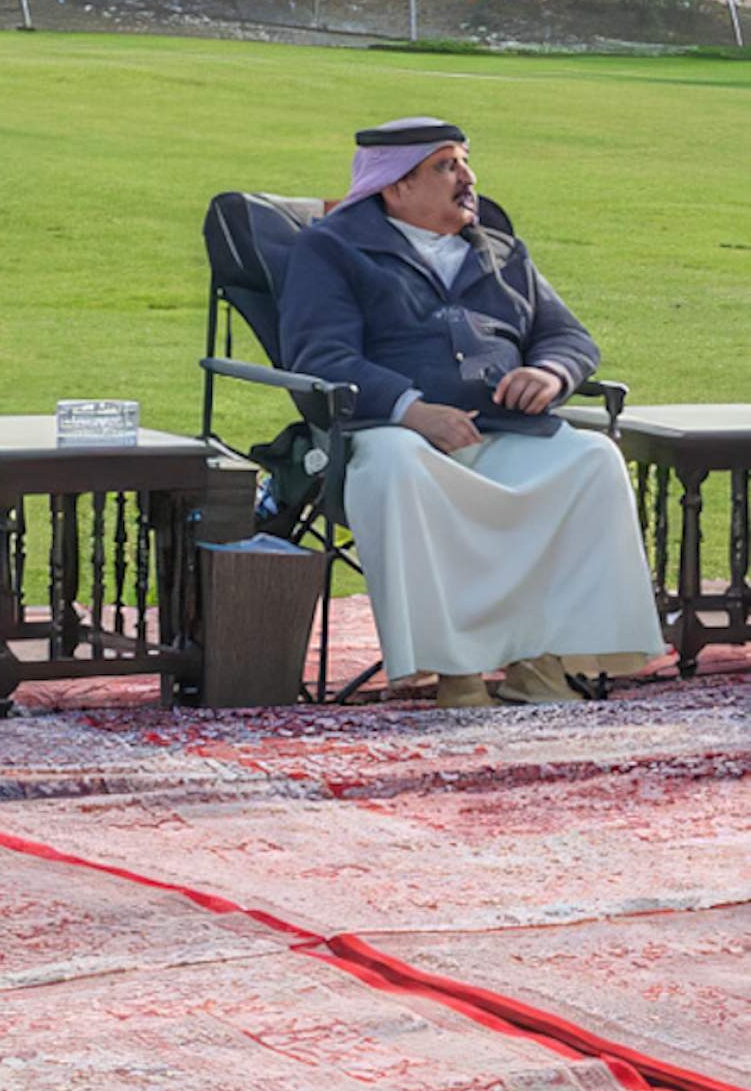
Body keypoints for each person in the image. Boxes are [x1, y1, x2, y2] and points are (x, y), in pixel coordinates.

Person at [280, 117, 664, 704]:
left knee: (592, 459)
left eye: (465, 162)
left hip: (504, 427)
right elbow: (319, 355)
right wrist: (411, 409)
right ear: (396, 185)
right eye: (447, 166)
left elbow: (568, 336)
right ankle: (454, 668)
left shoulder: (500, 248)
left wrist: (549, 372)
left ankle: (539, 660)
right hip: (392, 431)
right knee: (402, 466)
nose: (468, 177)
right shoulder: (332, 248)